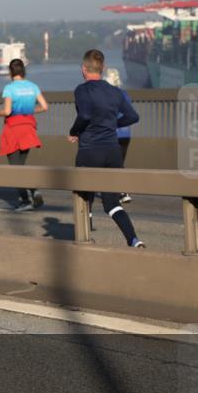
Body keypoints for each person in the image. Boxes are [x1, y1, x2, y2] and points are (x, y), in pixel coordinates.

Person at [69, 50, 144, 248]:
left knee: (82, 197)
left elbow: (84, 115)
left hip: (89, 150)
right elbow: (133, 117)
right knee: (112, 203)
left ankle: (84, 240)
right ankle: (134, 239)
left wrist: (74, 131)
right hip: (112, 152)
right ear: (102, 69)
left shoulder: (82, 90)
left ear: (84, 69)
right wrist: (112, 124)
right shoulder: (115, 92)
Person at [0, 58, 48, 211]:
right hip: (28, 128)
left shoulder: (9, 88)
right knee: (21, 166)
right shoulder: (33, 87)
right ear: (23, 71)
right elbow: (44, 106)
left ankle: (26, 200)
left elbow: (8, 111)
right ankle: (33, 191)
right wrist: (30, 111)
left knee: (15, 169)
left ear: (11, 72)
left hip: (13, 130)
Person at [104, 68, 133, 203]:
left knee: (109, 164)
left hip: (112, 134)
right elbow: (130, 113)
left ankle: (115, 193)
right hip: (126, 133)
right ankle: (123, 191)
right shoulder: (124, 94)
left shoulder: (107, 95)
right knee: (120, 163)